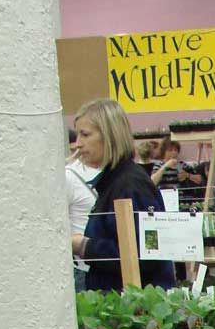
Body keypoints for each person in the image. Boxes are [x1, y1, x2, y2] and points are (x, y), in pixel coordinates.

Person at [71, 98, 175, 291]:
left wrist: (84, 246)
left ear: (110, 136)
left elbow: (145, 254)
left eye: (85, 135)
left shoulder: (129, 185)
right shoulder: (115, 181)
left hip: (134, 307)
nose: (77, 144)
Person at [65, 134, 99, 292]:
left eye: (85, 134)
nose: (79, 144)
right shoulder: (69, 175)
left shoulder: (118, 174)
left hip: (106, 266)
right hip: (82, 268)